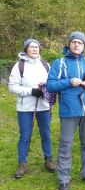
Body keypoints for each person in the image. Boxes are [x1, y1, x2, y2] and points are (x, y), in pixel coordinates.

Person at [47, 31, 85, 190]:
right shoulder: (60, 63)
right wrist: (68, 82)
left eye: (80, 42)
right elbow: (50, 85)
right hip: (69, 110)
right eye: (74, 42)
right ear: (69, 44)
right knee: (66, 144)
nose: (77, 45)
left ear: (84, 45)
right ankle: (64, 178)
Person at [8, 39, 56, 179]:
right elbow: (12, 86)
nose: (35, 49)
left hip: (44, 106)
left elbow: (52, 83)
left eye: (37, 47)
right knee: (25, 135)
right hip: (25, 107)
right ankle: (22, 163)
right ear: (26, 49)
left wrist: (45, 88)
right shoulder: (19, 65)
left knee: (46, 134)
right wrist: (31, 91)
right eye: (32, 47)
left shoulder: (46, 65)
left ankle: (48, 160)